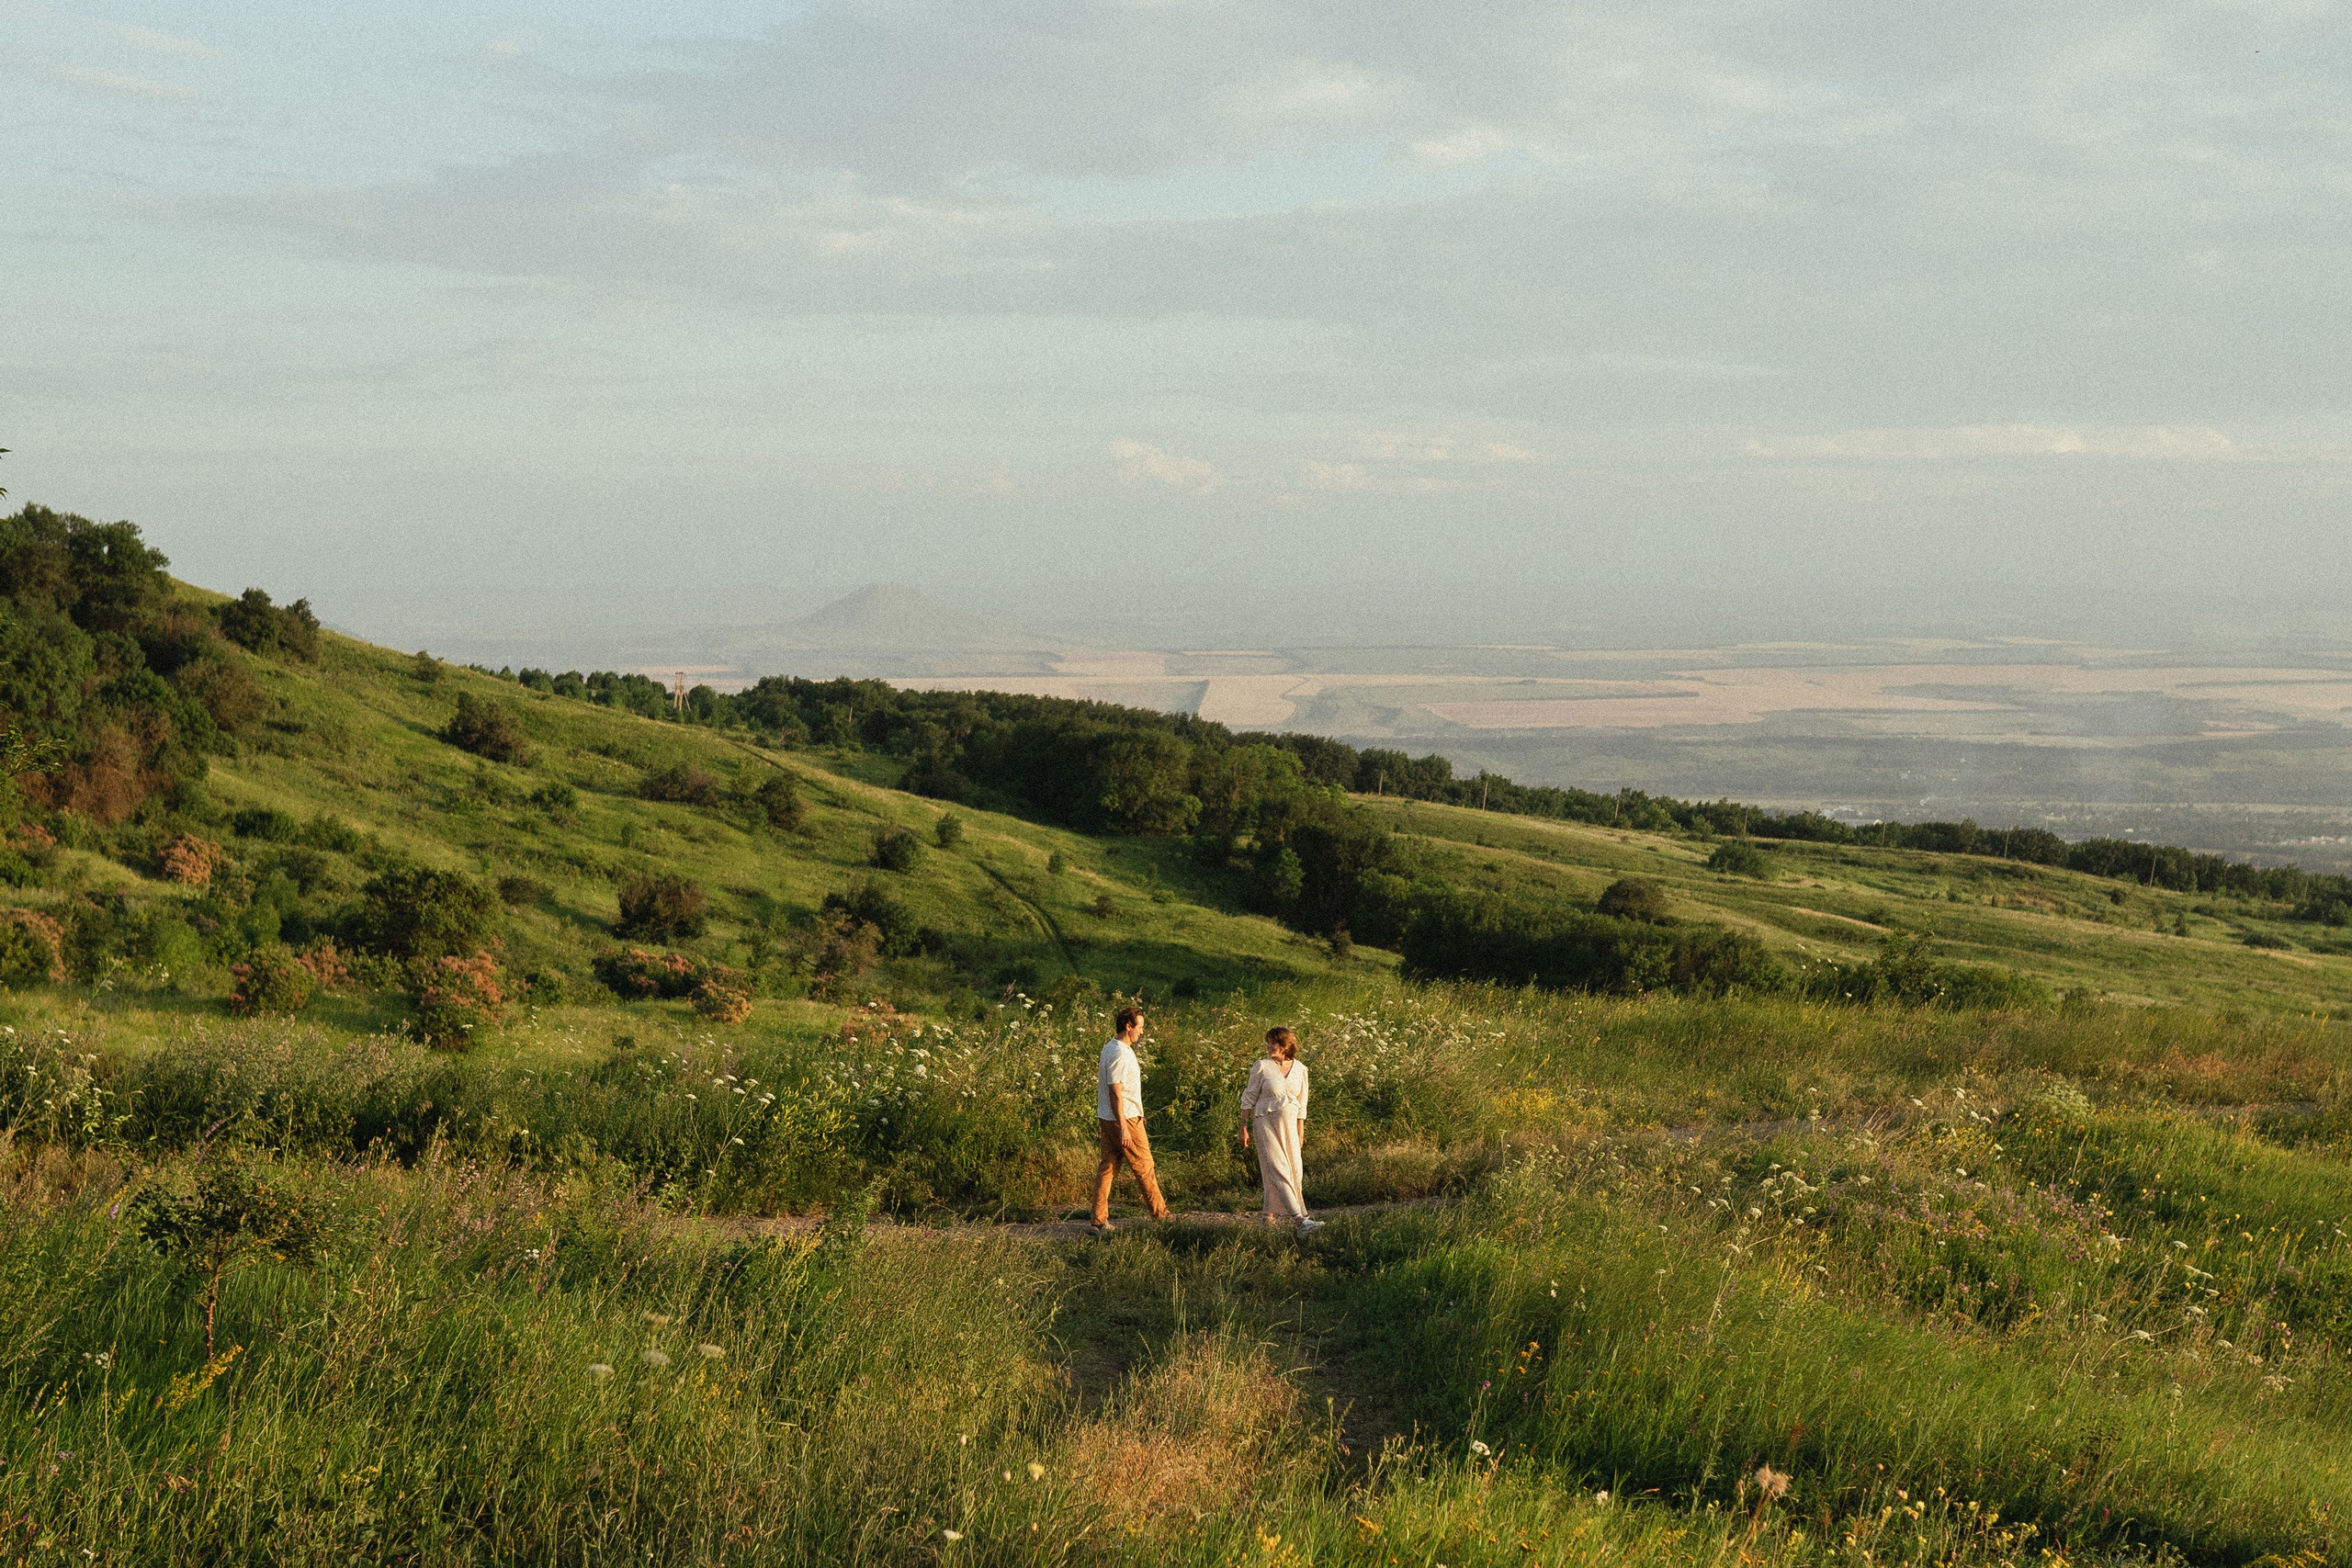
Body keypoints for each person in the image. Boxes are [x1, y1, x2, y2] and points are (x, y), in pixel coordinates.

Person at [1092, 1003, 1171, 1235]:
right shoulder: (1119, 1053)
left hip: (1111, 1117)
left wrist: (1139, 1112)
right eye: (1140, 1027)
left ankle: (1098, 1220)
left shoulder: (1110, 1047)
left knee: (1108, 1167)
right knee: (1144, 1166)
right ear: (1129, 1026)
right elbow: (1115, 1092)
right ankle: (1161, 1215)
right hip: (1124, 1119)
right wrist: (1125, 1127)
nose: (1142, 1032)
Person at [1239, 1025, 1319, 1235]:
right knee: (1277, 1168)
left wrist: (1301, 1129)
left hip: (1290, 1126)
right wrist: (1244, 1127)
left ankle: (1267, 1219)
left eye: (1273, 1043)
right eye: (1268, 1042)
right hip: (1265, 1123)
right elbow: (1249, 1097)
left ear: (1285, 1045)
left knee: (1295, 1171)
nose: (1269, 1046)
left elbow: (1302, 1102)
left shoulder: (1301, 1069)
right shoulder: (1262, 1066)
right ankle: (1301, 1221)